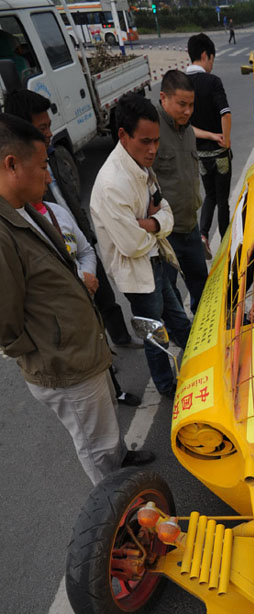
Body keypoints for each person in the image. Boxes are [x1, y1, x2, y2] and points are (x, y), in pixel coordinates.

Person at [0, 114, 153, 485]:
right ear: (11, 164)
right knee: (96, 448)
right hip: (64, 365)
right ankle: (118, 518)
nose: (49, 176)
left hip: (81, 352)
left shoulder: (26, 211)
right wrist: (49, 346)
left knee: (105, 432)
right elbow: (6, 325)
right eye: (41, 167)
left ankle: (122, 472)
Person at [3, 89, 142, 351]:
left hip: (79, 240)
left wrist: (86, 260)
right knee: (85, 322)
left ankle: (119, 339)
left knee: (105, 298)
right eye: (41, 127)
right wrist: (79, 277)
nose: (48, 133)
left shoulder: (52, 155)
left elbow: (70, 200)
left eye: (49, 126)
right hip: (63, 279)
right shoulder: (20, 197)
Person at [91, 95, 191, 398]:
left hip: (157, 261)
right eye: (145, 141)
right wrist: (155, 222)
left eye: (157, 141)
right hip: (137, 275)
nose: (153, 150)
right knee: (155, 335)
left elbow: (166, 213)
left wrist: (150, 221)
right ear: (123, 135)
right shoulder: (112, 184)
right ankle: (165, 386)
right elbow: (132, 244)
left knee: (179, 322)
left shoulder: (141, 165)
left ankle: (204, 364)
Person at [31, 199, 140, 406]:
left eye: (46, 167)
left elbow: (85, 250)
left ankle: (115, 388)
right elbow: (46, 271)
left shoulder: (56, 210)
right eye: (42, 167)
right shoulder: (21, 226)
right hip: (67, 309)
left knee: (104, 317)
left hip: (88, 285)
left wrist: (88, 275)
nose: (46, 178)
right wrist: (82, 279)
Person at [154, 70, 224, 314]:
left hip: (190, 226)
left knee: (201, 287)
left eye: (191, 105)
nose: (187, 111)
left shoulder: (186, 128)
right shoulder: (152, 131)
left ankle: (201, 337)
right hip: (165, 233)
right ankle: (180, 337)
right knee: (168, 294)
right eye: (181, 104)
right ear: (163, 97)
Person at [186, 33, 232, 258]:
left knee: (210, 195)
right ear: (205, 55)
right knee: (223, 200)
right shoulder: (212, 82)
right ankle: (225, 246)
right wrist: (223, 138)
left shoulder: (182, 83)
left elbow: (187, 127)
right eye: (211, 59)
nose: (211, 65)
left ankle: (203, 234)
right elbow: (225, 113)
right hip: (220, 155)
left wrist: (208, 137)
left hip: (200, 154)